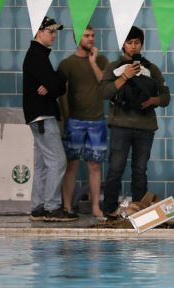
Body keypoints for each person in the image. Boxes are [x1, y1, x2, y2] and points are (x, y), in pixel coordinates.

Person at [100, 26, 170, 217]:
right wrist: (124, 76)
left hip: (144, 127)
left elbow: (165, 96)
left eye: (137, 42)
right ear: (123, 44)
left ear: (142, 44)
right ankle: (109, 211)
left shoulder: (151, 68)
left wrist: (152, 101)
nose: (133, 46)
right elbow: (104, 93)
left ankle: (140, 211)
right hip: (120, 125)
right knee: (115, 168)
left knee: (140, 170)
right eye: (129, 42)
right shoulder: (113, 67)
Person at [22, 16, 77, 222]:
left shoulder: (38, 55)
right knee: (57, 161)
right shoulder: (37, 55)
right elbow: (57, 86)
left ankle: (37, 207)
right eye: (50, 31)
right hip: (43, 115)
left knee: (43, 164)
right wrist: (58, 80)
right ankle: (53, 207)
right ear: (39, 32)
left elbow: (53, 85)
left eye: (55, 32)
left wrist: (53, 82)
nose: (54, 36)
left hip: (38, 116)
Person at [58, 26, 109, 219]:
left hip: (97, 121)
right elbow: (62, 94)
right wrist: (66, 118)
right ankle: (67, 207)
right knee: (71, 164)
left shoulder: (101, 60)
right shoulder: (67, 64)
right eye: (87, 36)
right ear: (78, 38)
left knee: (95, 165)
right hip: (75, 121)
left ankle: (96, 207)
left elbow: (105, 85)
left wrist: (93, 62)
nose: (91, 39)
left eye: (93, 36)